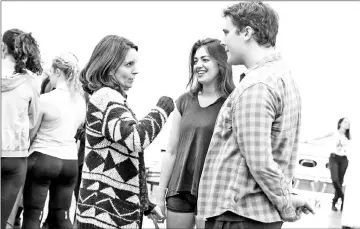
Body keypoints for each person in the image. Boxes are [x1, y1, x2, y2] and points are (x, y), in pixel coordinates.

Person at [197, 2, 314, 229]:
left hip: (240, 215)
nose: (222, 41)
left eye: (227, 32)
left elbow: (260, 162)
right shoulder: (281, 76)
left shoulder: (257, 85)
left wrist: (287, 204)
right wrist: (287, 196)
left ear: (247, 32)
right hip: (255, 215)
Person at [76, 35, 174, 229]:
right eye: (128, 64)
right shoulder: (106, 97)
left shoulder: (109, 98)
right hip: (104, 217)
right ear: (109, 66)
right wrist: (163, 107)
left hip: (104, 214)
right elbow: (136, 139)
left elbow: (128, 159)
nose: (135, 71)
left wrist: (145, 205)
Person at [155, 38, 235, 229]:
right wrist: (159, 196)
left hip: (214, 193)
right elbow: (171, 151)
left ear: (220, 62)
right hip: (179, 189)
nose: (198, 65)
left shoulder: (232, 103)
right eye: (195, 60)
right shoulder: (183, 101)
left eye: (205, 59)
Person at [22, 52, 86, 229]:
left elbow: (30, 134)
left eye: (51, 70)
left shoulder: (45, 100)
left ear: (58, 71)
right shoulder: (80, 102)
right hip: (69, 163)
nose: (49, 74)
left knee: (33, 214)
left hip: (42, 159)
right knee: (61, 216)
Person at [1, 28, 42, 229]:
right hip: (15, 157)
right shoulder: (31, 82)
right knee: (4, 219)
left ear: (2, 48)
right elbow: (33, 123)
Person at [304, 117, 351, 211]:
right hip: (334, 158)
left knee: (340, 182)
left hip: (344, 159)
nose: (347, 124)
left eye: (348, 123)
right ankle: (343, 197)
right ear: (340, 123)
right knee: (335, 180)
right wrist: (309, 140)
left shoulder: (348, 136)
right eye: (345, 122)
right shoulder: (334, 133)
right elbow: (322, 137)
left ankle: (334, 203)